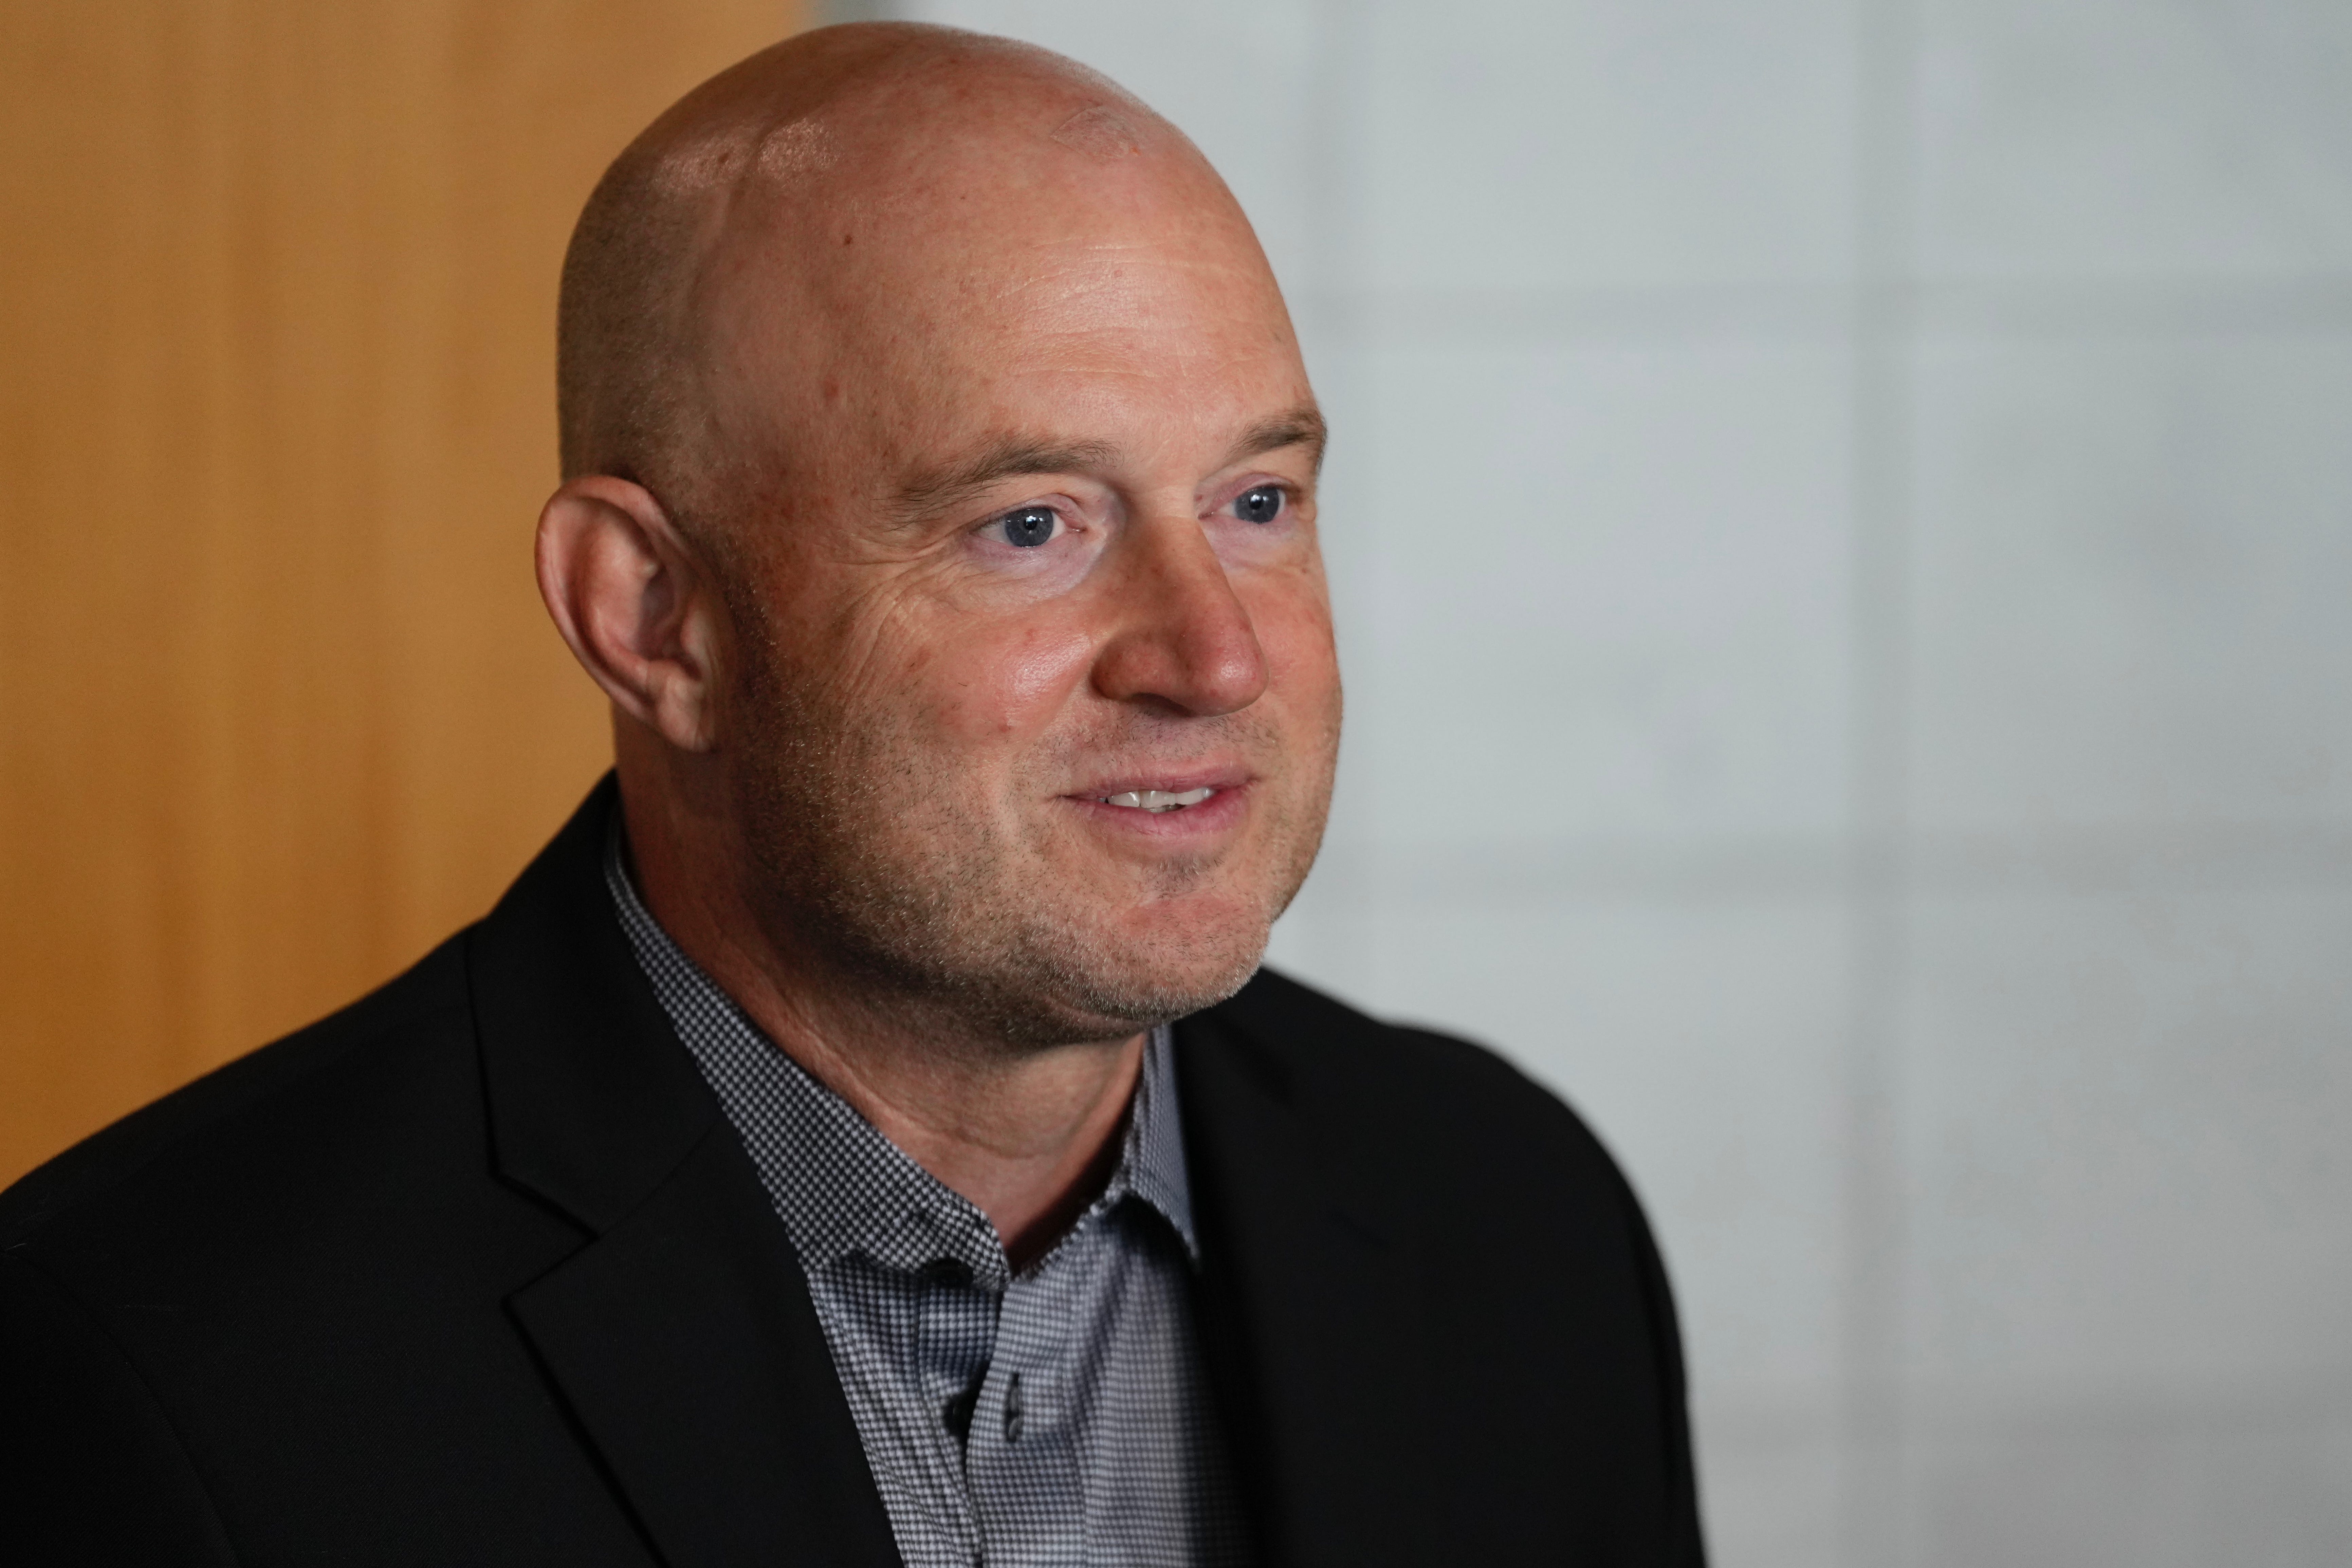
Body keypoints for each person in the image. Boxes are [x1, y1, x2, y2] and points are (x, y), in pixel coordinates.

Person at [0, 23, 1704, 1567]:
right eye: (1031, 523)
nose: (1218, 657)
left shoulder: (1514, 1224)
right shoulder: (154, 1371)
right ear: (654, 617)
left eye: (1256, 502)